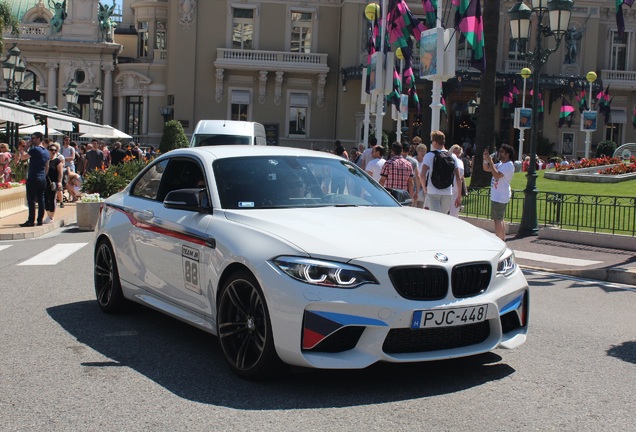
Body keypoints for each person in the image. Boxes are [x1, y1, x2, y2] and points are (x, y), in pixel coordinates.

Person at [419, 130, 461, 214]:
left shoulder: (429, 155)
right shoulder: (452, 156)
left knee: (436, 217)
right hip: (448, 191)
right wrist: (459, 196)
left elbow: (422, 175)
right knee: (443, 217)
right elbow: (458, 178)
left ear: (435, 142)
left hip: (433, 191)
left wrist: (424, 188)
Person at [483, 144, 515, 241]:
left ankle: (499, 240)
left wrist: (491, 161)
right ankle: (502, 239)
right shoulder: (501, 164)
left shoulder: (508, 165)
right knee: (500, 219)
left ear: (507, 154)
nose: (499, 154)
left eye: (502, 152)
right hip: (497, 195)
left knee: (497, 220)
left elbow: (497, 175)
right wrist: (485, 159)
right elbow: (486, 168)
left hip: (500, 196)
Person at [18, 132, 50, 227]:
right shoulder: (46, 151)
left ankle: (31, 220)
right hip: (42, 178)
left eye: (34, 138)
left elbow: (23, 157)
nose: (32, 140)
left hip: (33, 177)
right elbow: (46, 167)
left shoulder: (35, 149)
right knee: (41, 199)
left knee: (31, 200)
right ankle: (40, 220)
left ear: (39, 139)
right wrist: (44, 175)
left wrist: (26, 146)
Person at [43, 143, 64, 224]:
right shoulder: (46, 160)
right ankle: (48, 215)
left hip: (53, 181)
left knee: (52, 199)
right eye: (51, 150)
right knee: (45, 199)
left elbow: (60, 172)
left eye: (55, 150)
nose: (53, 151)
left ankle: (51, 216)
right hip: (45, 181)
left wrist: (59, 182)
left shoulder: (57, 161)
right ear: (48, 150)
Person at [448, 144, 465, 218]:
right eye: (454, 152)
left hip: (456, 189)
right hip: (448, 188)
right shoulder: (447, 160)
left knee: (454, 213)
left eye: (458, 152)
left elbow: (461, 177)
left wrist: (460, 194)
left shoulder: (461, 162)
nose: (456, 154)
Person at [402, 142, 419, 206]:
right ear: (409, 150)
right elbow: (417, 176)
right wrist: (417, 191)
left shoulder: (395, 160)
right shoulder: (413, 161)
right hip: (410, 189)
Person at [414, 141, 428, 209]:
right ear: (418, 151)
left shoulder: (426, 161)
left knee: (421, 207)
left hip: (423, 188)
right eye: (421, 151)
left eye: (424, 151)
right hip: (414, 187)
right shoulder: (413, 160)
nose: (423, 153)